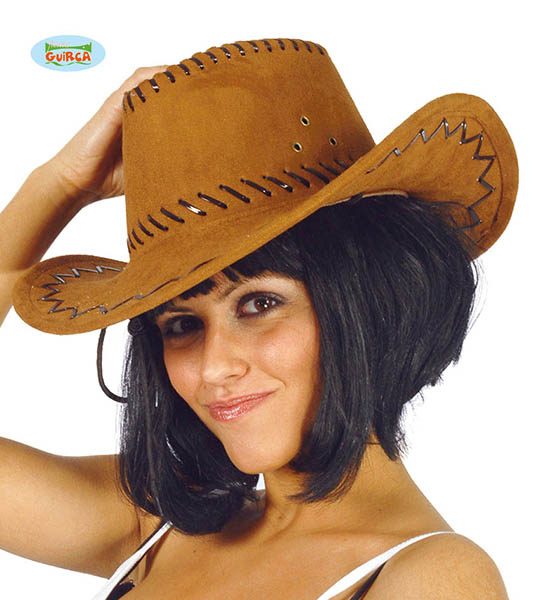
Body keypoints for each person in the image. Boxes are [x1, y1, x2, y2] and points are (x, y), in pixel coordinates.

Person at [0, 37, 517, 599]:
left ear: (367, 298)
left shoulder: (434, 576)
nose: (213, 367)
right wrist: (59, 184)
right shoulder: (155, 523)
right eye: (182, 324)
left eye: (258, 304)